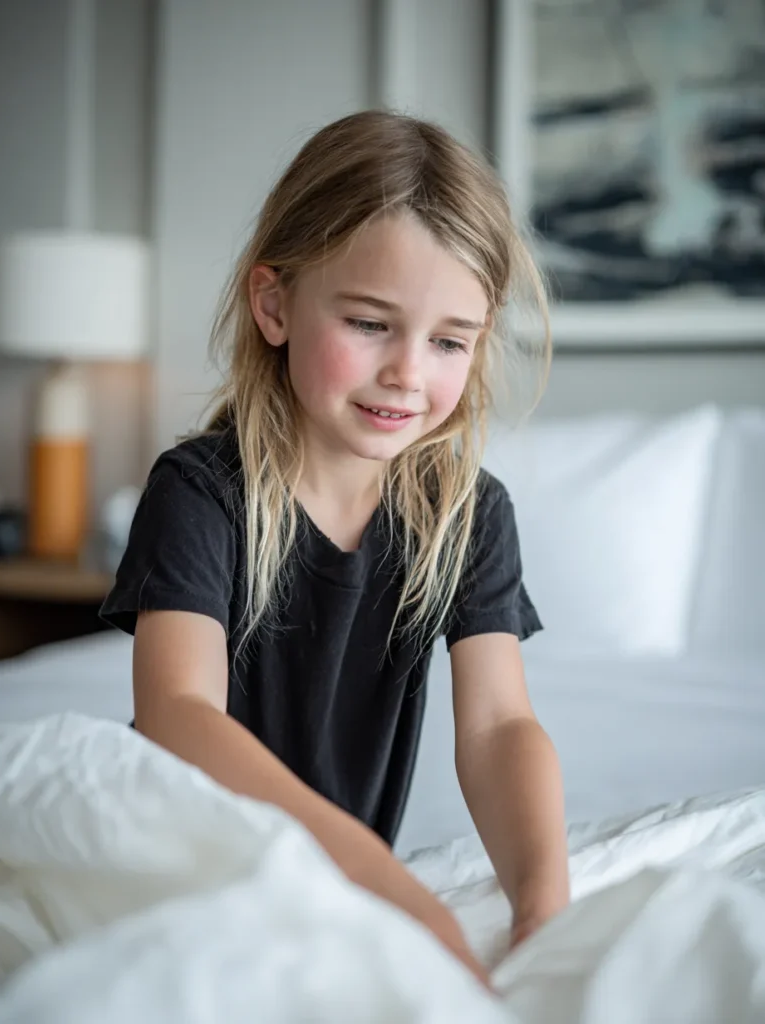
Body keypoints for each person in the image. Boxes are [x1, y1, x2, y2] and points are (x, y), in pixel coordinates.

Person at [100, 109, 570, 991]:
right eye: (368, 323)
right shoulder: (200, 493)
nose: (406, 371)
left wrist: (541, 902)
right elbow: (177, 716)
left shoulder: (466, 515)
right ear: (273, 304)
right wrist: (403, 896)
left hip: (341, 891)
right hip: (179, 868)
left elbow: (500, 724)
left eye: (447, 341)